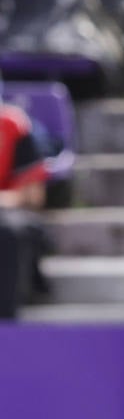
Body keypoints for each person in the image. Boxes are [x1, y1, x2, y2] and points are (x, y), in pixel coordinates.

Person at [0, 97, 45, 319]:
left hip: (9, 214)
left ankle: (6, 325)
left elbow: (34, 195)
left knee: (7, 234)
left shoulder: (13, 126)